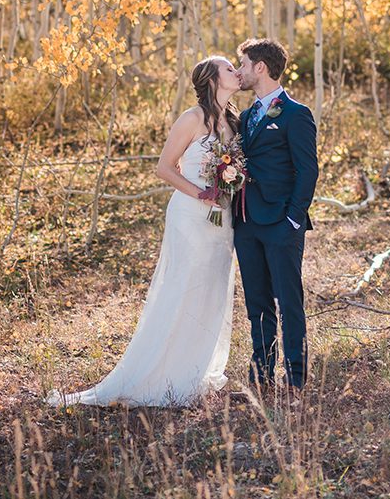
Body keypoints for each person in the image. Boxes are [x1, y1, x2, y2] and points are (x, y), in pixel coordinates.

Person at [46, 56, 241, 407]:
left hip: (221, 219)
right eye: (229, 68)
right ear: (212, 79)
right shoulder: (192, 119)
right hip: (191, 215)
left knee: (212, 291)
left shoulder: (233, 121)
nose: (236, 72)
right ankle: (160, 374)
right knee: (184, 289)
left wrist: (228, 186)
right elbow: (164, 168)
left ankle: (193, 370)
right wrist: (202, 193)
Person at [232, 38, 319, 393]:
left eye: (242, 64)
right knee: (257, 302)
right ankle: (262, 374)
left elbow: (308, 170)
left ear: (260, 68)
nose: (238, 72)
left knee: (289, 302)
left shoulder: (296, 114)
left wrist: (294, 219)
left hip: (282, 224)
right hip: (247, 223)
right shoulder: (247, 116)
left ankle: (296, 377)